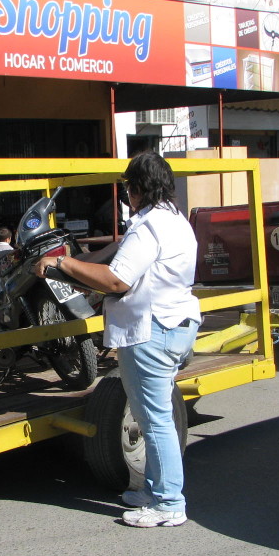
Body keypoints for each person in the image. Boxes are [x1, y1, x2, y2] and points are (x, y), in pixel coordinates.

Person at [34, 152, 200, 528]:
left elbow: (116, 280)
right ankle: (154, 489)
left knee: (155, 421)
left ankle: (169, 502)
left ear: (138, 188)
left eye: (129, 186)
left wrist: (61, 263)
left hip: (153, 330)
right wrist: (82, 260)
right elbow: (116, 257)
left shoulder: (149, 226)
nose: (128, 194)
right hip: (172, 324)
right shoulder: (174, 220)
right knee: (150, 415)